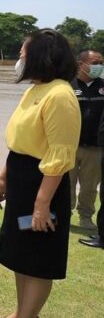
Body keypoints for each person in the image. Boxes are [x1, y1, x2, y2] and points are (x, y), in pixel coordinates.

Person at [0, 28, 80, 318]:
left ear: (40, 56)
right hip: (21, 177)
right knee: (21, 254)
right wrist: (4, 177)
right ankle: (22, 311)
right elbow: (19, 141)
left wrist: (42, 204)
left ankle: (28, 315)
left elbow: (59, 155)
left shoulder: (60, 95)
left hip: (43, 184)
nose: (19, 59)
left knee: (39, 257)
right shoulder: (35, 89)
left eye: (22, 53)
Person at [68, 50, 104, 230]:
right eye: (95, 62)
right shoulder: (67, 85)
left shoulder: (103, 85)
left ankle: (86, 217)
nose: (99, 66)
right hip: (69, 145)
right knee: (66, 183)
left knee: (90, 187)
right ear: (81, 64)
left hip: (95, 147)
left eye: (101, 63)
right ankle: (64, 214)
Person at [79, 107, 104, 249]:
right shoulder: (71, 85)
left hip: (96, 148)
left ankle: (102, 237)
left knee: (95, 188)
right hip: (77, 145)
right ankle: (102, 233)